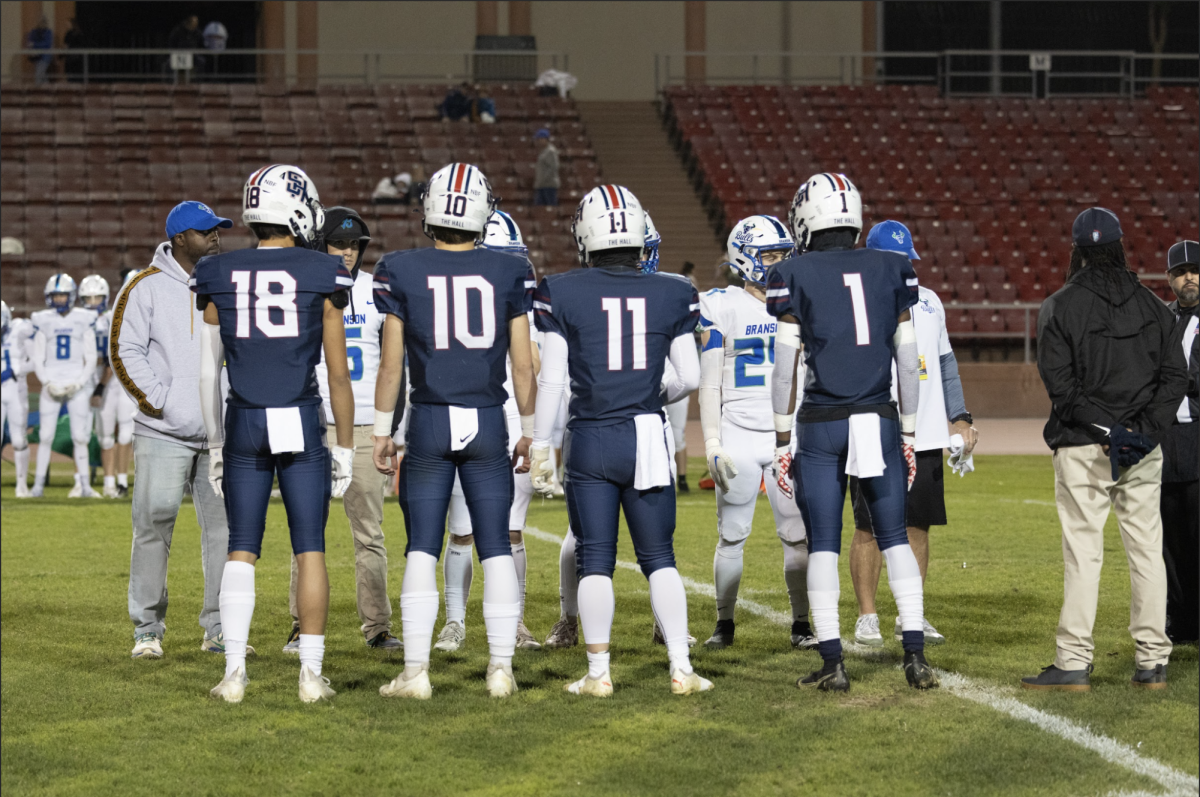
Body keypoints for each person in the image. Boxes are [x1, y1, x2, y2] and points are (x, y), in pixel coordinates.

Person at [528, 185, 710, 697]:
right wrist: (652, 390)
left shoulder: (562, 290)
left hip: (591, 436)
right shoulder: (673, 290)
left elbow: (555, 382)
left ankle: (598, 674)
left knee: (596, 559)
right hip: (648, 433)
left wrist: (542, 445)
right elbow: (690, 378)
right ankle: (681, 667)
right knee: (660, 557)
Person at [767, 172, 937, 693]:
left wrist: (779, 439)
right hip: (878, 417)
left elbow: (784, 366)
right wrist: (907, 431)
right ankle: (915, 656)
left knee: (824, 543)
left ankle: (833, 662)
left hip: (821, 424)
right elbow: (907, 359)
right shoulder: (892, 268)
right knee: (893, 537)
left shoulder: (793, 273)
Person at [372, 163, 537, 700]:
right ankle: (500, 670)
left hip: (430, 417)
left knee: (423, 545)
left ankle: (416, 673)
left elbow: (391, 368)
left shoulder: (401, 268)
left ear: (429, 211)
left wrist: (382, 431)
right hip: (488, 418)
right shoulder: (510, 271)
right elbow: (523, 367)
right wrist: (530, 428)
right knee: (495, 543)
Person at [194, 167, 356, 703]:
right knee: (310, 548)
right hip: (301, 416)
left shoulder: (219, 270)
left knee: (242, 548)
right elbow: (337, 374)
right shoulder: (323, 270)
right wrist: (346, 445)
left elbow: (205, 372)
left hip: (243, 419)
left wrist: (215, 444)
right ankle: (310, 676)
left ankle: (234, 673)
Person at [1021, 207, 1188, 692]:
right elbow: (1176, 376)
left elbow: (1063, 390)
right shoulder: (1154, 306)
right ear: (1119, 247)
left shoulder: (1059, 305)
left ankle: (1073, 661)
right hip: (1142, 449)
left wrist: (1111, 431)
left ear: (1077, 251)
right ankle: (1153, 660)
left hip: (1084, 448)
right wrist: (1144, 431)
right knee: (1147, 552)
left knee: (1083, 554)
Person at [110, 201, 234, 658]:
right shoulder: (144, 286)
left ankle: (219, 627)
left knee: (224, 532)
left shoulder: (227, 284)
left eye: (218, 230)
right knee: (153, 526)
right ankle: (147, 628)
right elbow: (123, 350)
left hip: (219, 434)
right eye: (206, 232)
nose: (216, 237)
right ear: (180, 238)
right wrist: (161, 401)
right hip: (162, 431)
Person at [848, 220, 978, 648]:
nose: (906, 268)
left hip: (922, 435)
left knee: (917, 526)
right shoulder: (858, 301)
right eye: (897, 260)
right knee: (869, 528)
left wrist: (959, 416)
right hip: (875, 429)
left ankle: (912, 614)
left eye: (909, 260)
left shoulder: (930, 302)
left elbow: (945, 363)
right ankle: (868, 616)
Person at [281, 207, 401, 653]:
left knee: (370, 534)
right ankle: (301, 625)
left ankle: (378, 627)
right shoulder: (305, 284)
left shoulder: (375, 291)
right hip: (314, 420)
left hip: (368, 423)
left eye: (354, 245)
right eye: (339, 244)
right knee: (307, 532)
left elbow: (394, 364)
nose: (348, 253)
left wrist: (392, 427)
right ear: (321, 245)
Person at [699, 214, 814, 651]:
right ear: (743, 257)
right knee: (732, 534)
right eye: (770, 254)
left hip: (788, 433)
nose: (780, 262)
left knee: (797, 533)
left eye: (785, 253)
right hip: (739, 434)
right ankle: (723, 623)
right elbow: (709, 382)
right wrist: (711, 441)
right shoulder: (721, 304)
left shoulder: (797, 300)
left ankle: (801, 623)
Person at [434, 210, 543, 653]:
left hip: (511, 416)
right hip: (467, 410)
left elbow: (532, 367)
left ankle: (514, 619)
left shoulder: (520, 305)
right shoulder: (450, 297)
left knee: (511, 529)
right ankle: (455, 620)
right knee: (461, 529)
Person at [1160, 240, 1198, 646]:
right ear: (1169, 278)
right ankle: (1181, 620)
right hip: (1167, 442)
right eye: (1181, 270)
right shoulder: (1162, 318)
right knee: (1169, 540)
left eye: (1196, 269)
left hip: (1198, 436)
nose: (1189, 277)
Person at [30, 274, 97, 498]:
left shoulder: (83, 318)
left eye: (62, 295)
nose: (59, 299)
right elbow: (37, 357)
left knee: (80, 436)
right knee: (46, 436)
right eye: (55, 295)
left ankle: (85, 486)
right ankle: (38, 486)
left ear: (71, 296)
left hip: (75, 383)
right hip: (51, 384)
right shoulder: (43, 320)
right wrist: (47, 382)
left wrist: (79, 383)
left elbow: (91, 357)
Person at [79, 275, 129, 498]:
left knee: (127, 434)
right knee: (104, 435)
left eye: (96, 297)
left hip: (118, 379)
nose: (92, 302)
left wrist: (101, 385)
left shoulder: (113, 317)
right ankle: (109, 483)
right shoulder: (79, 321)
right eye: (88, 299)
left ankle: (123, 482)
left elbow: (114, 354)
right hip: (95, 377)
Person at [1, 301, 31, 497]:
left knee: (19, 439)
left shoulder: (20, 331)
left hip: (15, 390)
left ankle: (21, 485)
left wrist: (14, 371)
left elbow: (36, 360)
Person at [533, 129, 559, 207]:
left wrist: (544, 179)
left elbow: (554, 167)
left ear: (545, 139)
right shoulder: (544, 151)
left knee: (551, 207)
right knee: (539, 208)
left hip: (549, 185)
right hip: (542, 184)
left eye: (539, 139)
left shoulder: (550, 151)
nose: (538, 141)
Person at [26, 17, 53, 85]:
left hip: (44, 57)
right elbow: (30, 42)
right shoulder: (34, 32)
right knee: (42, 74)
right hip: (36, 56)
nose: (42, 24)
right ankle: (47, 90)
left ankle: (37, 90)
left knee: (39, 74)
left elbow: (47, 44)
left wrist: (35, 44)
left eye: (43, 22)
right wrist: (31, 49)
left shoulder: (48, 32)